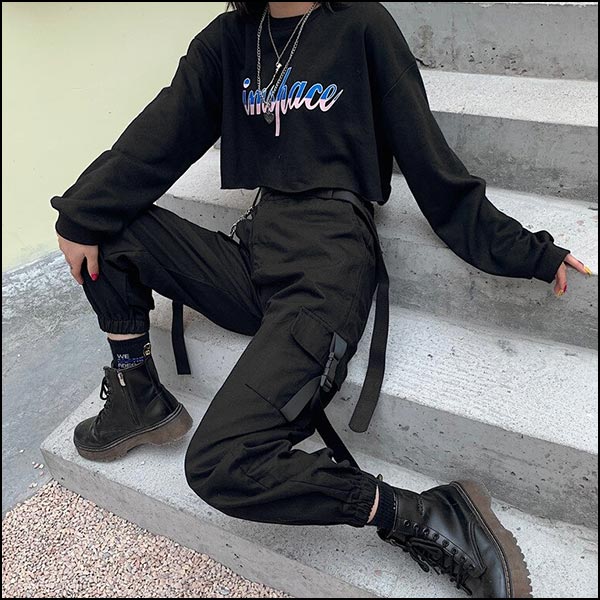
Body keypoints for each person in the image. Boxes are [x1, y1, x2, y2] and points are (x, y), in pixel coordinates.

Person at [50, 2, 592, 597]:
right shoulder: (230, 38)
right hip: (256, 250)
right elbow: (156, 139)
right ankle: (137, 394)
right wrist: (78, 215)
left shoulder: (360, 25)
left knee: (220, 463)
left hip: (330, 260)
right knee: (99, 220)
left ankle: (421, 512)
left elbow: (434, 169)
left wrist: (531, 253)